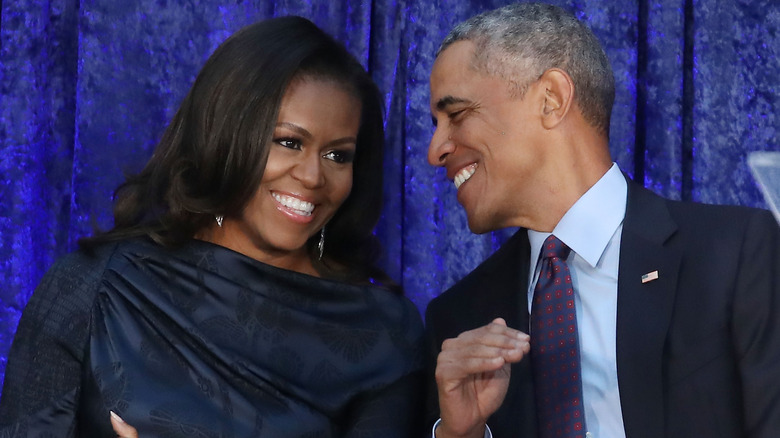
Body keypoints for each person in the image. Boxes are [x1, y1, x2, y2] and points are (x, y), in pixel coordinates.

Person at [0, 16, 425, 437]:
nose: (314, 176)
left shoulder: (382, 334)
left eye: (338, 156)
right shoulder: (94, 287)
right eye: (288, 142)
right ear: (224, 136)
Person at [423, 3, 780, 438]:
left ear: (551, 99)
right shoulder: (459, 318)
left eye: (456, 115)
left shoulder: (735, 254)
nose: (436, 149)